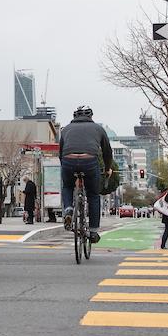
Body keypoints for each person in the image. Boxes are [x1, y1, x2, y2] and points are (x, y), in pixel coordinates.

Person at [59, 105, 113, 244]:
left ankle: (69, 210)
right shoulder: (98, 129)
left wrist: (66, 167)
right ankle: (94, 231)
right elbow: (107, 152)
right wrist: (107, 168)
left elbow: (61, 152)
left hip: (68, 160)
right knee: (93, 195)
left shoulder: (65, 129)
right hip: (89, 161)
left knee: (67, 186)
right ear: (90, 116)